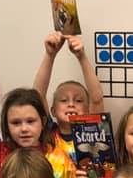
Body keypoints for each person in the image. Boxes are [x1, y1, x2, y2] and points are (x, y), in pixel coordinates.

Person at [33, 30, 106, 164]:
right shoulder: (48, 133)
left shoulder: (92, 134)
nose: (71, 104)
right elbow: (37, 95)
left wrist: (82, 57)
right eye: (63, 100)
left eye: (78, 100)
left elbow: (96, 99)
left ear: (88, 110)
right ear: (53, 110)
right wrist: (50, 55)